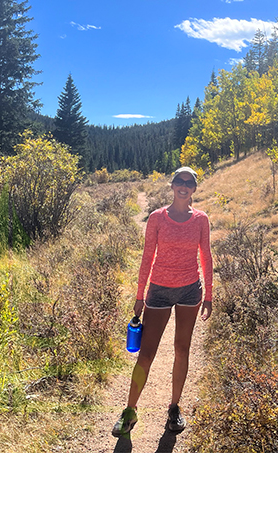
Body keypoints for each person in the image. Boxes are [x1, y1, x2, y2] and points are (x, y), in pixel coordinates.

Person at [112, 166, 213, 438]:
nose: (183, 186)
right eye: (179, 181)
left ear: (193, 189)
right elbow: (147, 257)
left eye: (188, 183)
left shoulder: (201, 220)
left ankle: (174, 407)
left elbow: (206, 257)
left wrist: (209, 295)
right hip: (159, 291)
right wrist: (140, 295)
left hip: (190, 291)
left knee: (182, 349)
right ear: (172, 186)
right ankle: (129, 410)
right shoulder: (157, 218)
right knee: (146, 353)